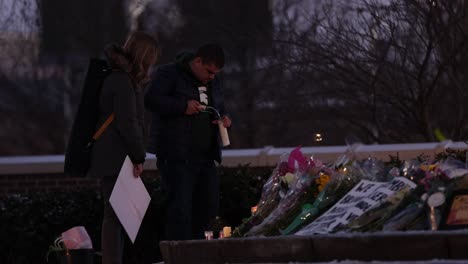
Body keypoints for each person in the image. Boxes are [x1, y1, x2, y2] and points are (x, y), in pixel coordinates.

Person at [145, 43, 232, 240]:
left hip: (206, 156)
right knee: (180, 210)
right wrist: (181, 106)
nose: (212, 77)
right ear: (198, 61)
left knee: (208, 209)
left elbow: (219, 105)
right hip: (176, 155)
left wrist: (224, 118)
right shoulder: (169, 73)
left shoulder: (213, 82)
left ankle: (200, 254)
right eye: (209, 71)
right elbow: (150, 100)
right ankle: (180, 254)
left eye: (216, 73)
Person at [87, 31, 159, 264]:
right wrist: (139, 156)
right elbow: (129, 123)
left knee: (116, 216)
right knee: (115, 217)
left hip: (113, 156)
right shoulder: (123, 81)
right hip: (116, 157)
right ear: (144, 56)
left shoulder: (118, 78)